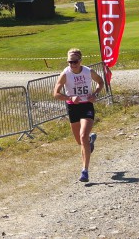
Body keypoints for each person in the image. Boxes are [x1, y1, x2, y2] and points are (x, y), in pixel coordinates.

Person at [53, 48, 104, 183]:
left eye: (75, 62)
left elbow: (101, 82)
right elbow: (55, 94)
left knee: (83, 136)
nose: (72, 65)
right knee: (80, 141)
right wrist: (70, 97)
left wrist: (95, 94)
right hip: (73, 107)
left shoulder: (88, 71)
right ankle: (90, 142)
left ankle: (85, 171)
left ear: (80, 61)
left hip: (86, 105)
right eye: (70, 62)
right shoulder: (65, 74)